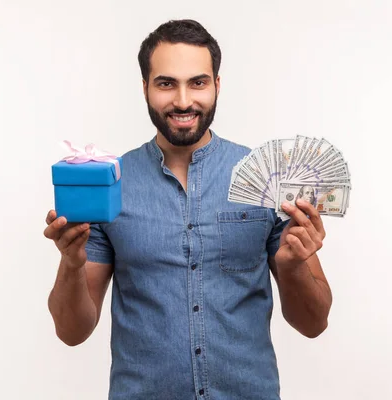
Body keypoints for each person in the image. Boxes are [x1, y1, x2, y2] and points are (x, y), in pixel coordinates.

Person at [44, 19, 332, 400]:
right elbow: (71, 331)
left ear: (217, 84)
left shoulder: (266, 183)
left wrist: (295, 265)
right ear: (145, 87)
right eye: (166, 83)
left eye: (198, 82)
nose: (183, 101)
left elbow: (313, 323)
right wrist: (72, 262)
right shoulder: (110, 185)